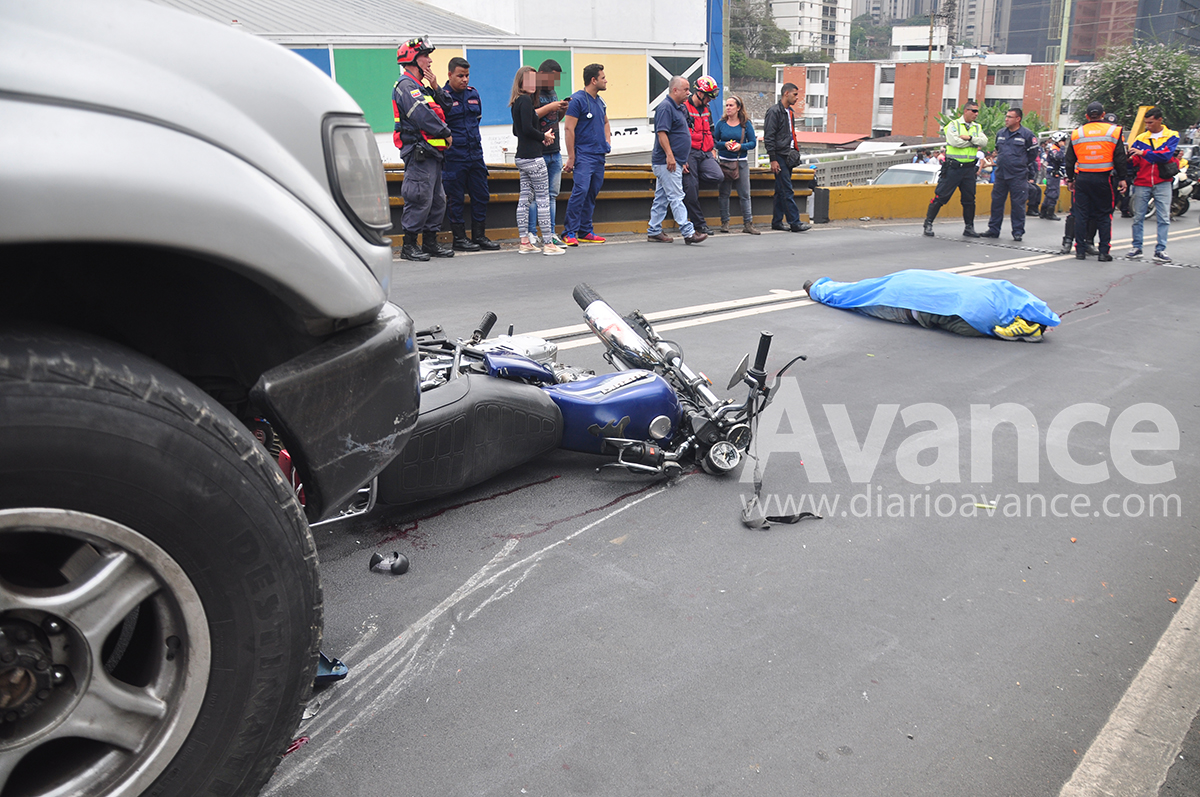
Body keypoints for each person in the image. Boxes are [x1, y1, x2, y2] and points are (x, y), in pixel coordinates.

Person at [803, 270, 1060, 342]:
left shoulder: (1005, 293)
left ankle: (817, 288)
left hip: (913, 287)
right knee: (859, 296)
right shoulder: (987, 318)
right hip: (911, 301)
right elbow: (951, 323)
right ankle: (818, 288)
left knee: (858, 294)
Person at [392, 36, 455, 262]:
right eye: (425, 56)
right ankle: (409, 246)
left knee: (437, 200)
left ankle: (430, 242)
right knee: (419, 198)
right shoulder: (405, 86)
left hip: (433, 154)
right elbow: (422, 115)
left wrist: (436, 86)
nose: (429, 60)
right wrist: (445, 133)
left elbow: (448, 105)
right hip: (419, 152)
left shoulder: (422, 87)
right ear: (412, 59)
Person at [440, 57, 500, 252]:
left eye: (467, 76)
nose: (464, 80)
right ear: (449, 75)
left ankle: (479, 235)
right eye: (460, 76)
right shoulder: (442, 97)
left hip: (475, 155)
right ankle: (459, 238)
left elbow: (477, 120)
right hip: (454, 157)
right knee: (456, 198)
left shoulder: (473, 94)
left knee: (481, 195)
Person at [509, 66, 565, 256]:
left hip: (521, 157)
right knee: (543, 199)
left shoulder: (516, 102)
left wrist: (541, 135)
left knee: (525, 198)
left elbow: (517, 131)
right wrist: (543, 136)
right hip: (534, 157)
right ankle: (548, 243)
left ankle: (525, 240)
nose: (533, 84)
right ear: (521, 82)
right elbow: (526, 129)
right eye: (529, 80)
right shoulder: (526, 100)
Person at [647, 76, 707, 245]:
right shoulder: (666, 108)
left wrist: (680, 158)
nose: (689, 93)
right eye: (686, 89)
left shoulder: (679, 108)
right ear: (675, 90)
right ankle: (688, 232)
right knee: (676, 196)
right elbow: (662, 133)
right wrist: (670, 156)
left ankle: (654, 230)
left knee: (662, 197)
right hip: (666, 162)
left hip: (673, 161)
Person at [1065, 101, 1128, 261]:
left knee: (1081, 215)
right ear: (1103, 115)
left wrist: (1071, 178)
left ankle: (1079, 251)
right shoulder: (1113, 131)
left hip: (1082, 179)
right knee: (1104, 215)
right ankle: (1103, 252)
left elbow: (1069, 159)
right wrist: (1122, 178)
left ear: (1087, 116)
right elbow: (1120, 157)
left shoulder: (1077, 133)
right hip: (1104, 179)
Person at [562, 63, 611, 246]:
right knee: (580, 191)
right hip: (584, 155)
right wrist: (571, 156)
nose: (606, 80)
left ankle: (585, 230)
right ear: (593, 80)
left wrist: (607, 142)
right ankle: (569, 232)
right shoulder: (577, 101)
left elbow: (606, 122)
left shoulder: (600, 101)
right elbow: (568, 129)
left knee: (591, 192)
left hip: (599, 154)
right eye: (603, 77)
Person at [923, 102, 987, 238]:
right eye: (973, 111)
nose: (976, 114)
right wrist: (975, 142)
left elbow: (984, 142)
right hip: (953, 168)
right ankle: (928, 223)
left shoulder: (977, 127)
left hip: (969, 169)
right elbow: (955, 143)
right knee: (941, 196)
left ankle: (969, 227)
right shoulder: (953, 125)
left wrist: (969, 138)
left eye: (977, 112)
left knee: (969, 200)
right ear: (966, 111)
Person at [1127, 106, 1179, 262]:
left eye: (1150, 123)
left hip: (1163, 181)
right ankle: (1137, 247)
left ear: (1159, 120)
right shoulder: (1141, 138)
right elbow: (1136, 161)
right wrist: (1131, 159)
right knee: (1138, 216)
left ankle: (1161, 249)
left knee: (1163, 217)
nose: (1148, 126)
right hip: (1142, 181)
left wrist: (1144, 153)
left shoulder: (1172, 135)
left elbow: (1166, 156)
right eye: (1146, 123)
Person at [526, 59, 570, 247]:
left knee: (552, 194)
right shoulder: (531, 91)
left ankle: (550, 233)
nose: (554, 83)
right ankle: (532, 233)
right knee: (536, 196)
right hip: (538, 151)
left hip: (555, 150)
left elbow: (553, 118)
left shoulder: (552, 92)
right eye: (552, 78)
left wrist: (560, 110)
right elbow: (529, 117)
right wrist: (550, 108)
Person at [980, 108, 1038, 241]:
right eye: (1006, 116)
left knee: (1018, 204)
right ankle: (993, 229)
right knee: (997, 202)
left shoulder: (1027, 135)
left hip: (1018, 175)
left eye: (1010, 117)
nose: (1006, 119)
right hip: (1001, 174)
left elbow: (1032, 154)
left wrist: (1020, 164)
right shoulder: (1001, 133)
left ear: (1018, 119)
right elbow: (999, 150)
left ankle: (1017, 231)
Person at [763, 83, 812, 232]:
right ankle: (795, 222)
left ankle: (777, 221)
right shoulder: (774, 112)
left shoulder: (789, 112)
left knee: (780, 189)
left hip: (788, 155)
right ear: (786, 93)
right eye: (795, 94)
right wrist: (773, 158)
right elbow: (769, 137)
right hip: (779, 155)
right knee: (786, 189)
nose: (797, 98)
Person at [682, 75, 725, 235]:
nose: (710, 100)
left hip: (705, 153)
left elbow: (711, 131)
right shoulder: (685, 108)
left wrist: (712, 148)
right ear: (699, 93)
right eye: (708, 96)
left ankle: (695, 177)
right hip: (690, 153)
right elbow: (680, 135)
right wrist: (682, 159)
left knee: (718, 176)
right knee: (691, 190)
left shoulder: (707, 110)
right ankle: (699, 225)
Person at [713, 94, 759, 234]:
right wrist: (724, 144)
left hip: (741, 162)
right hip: (725, 162)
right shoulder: (721, 124)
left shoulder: (746, 124)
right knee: (724, 194)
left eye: (731, 105)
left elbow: (752, 143)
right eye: (727, 105)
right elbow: (714, 141)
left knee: (744, 194)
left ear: (738, 108)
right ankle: (725, 222)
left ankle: (748, 223)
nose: (728, 108)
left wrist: (740, 147)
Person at [1039, 133, 1066, 220]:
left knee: (1050, 192)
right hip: (1053, 174)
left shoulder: (1056, 148)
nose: (1064, 142)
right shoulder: (1055, 149)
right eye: (1063, 141)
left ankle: (1043, 212)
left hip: (1055, 174)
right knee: (1053, 193)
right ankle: (1049, 213)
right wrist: (1062, 148)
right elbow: (1058, 157)